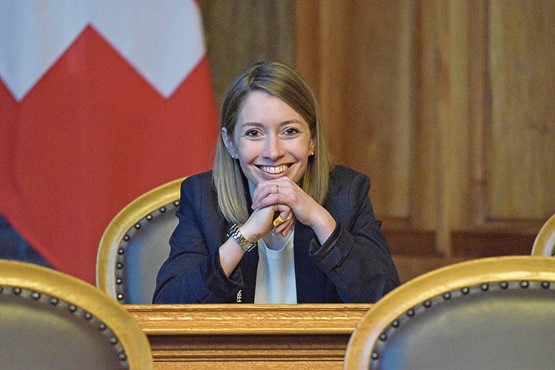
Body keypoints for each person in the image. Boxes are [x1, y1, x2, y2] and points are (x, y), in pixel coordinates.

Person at [153, 61, 400, 304]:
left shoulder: (347, 194)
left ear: (312, 140)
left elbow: (386, 305)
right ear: (230, 143)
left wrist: (319, 219)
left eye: (290, 131)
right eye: (253, 133)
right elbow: (169, 308)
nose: (273, 152)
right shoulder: (203, 198)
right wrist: (245, 235)